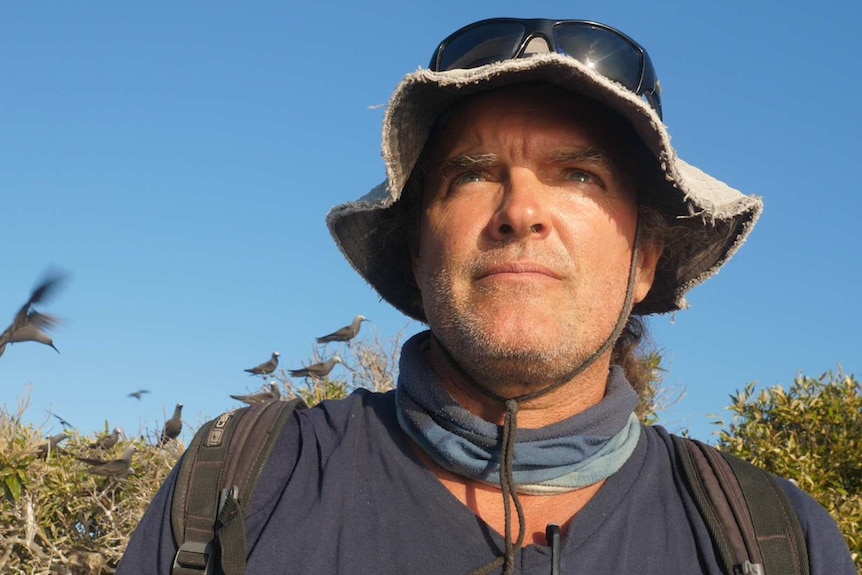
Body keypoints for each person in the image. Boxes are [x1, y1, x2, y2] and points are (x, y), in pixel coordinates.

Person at [118, 17, 855, 574]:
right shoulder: (237, 487)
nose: (520, 209)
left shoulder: (776, 539)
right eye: (471, 172)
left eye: (579, 175)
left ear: (645, 263)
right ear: (416, 247)